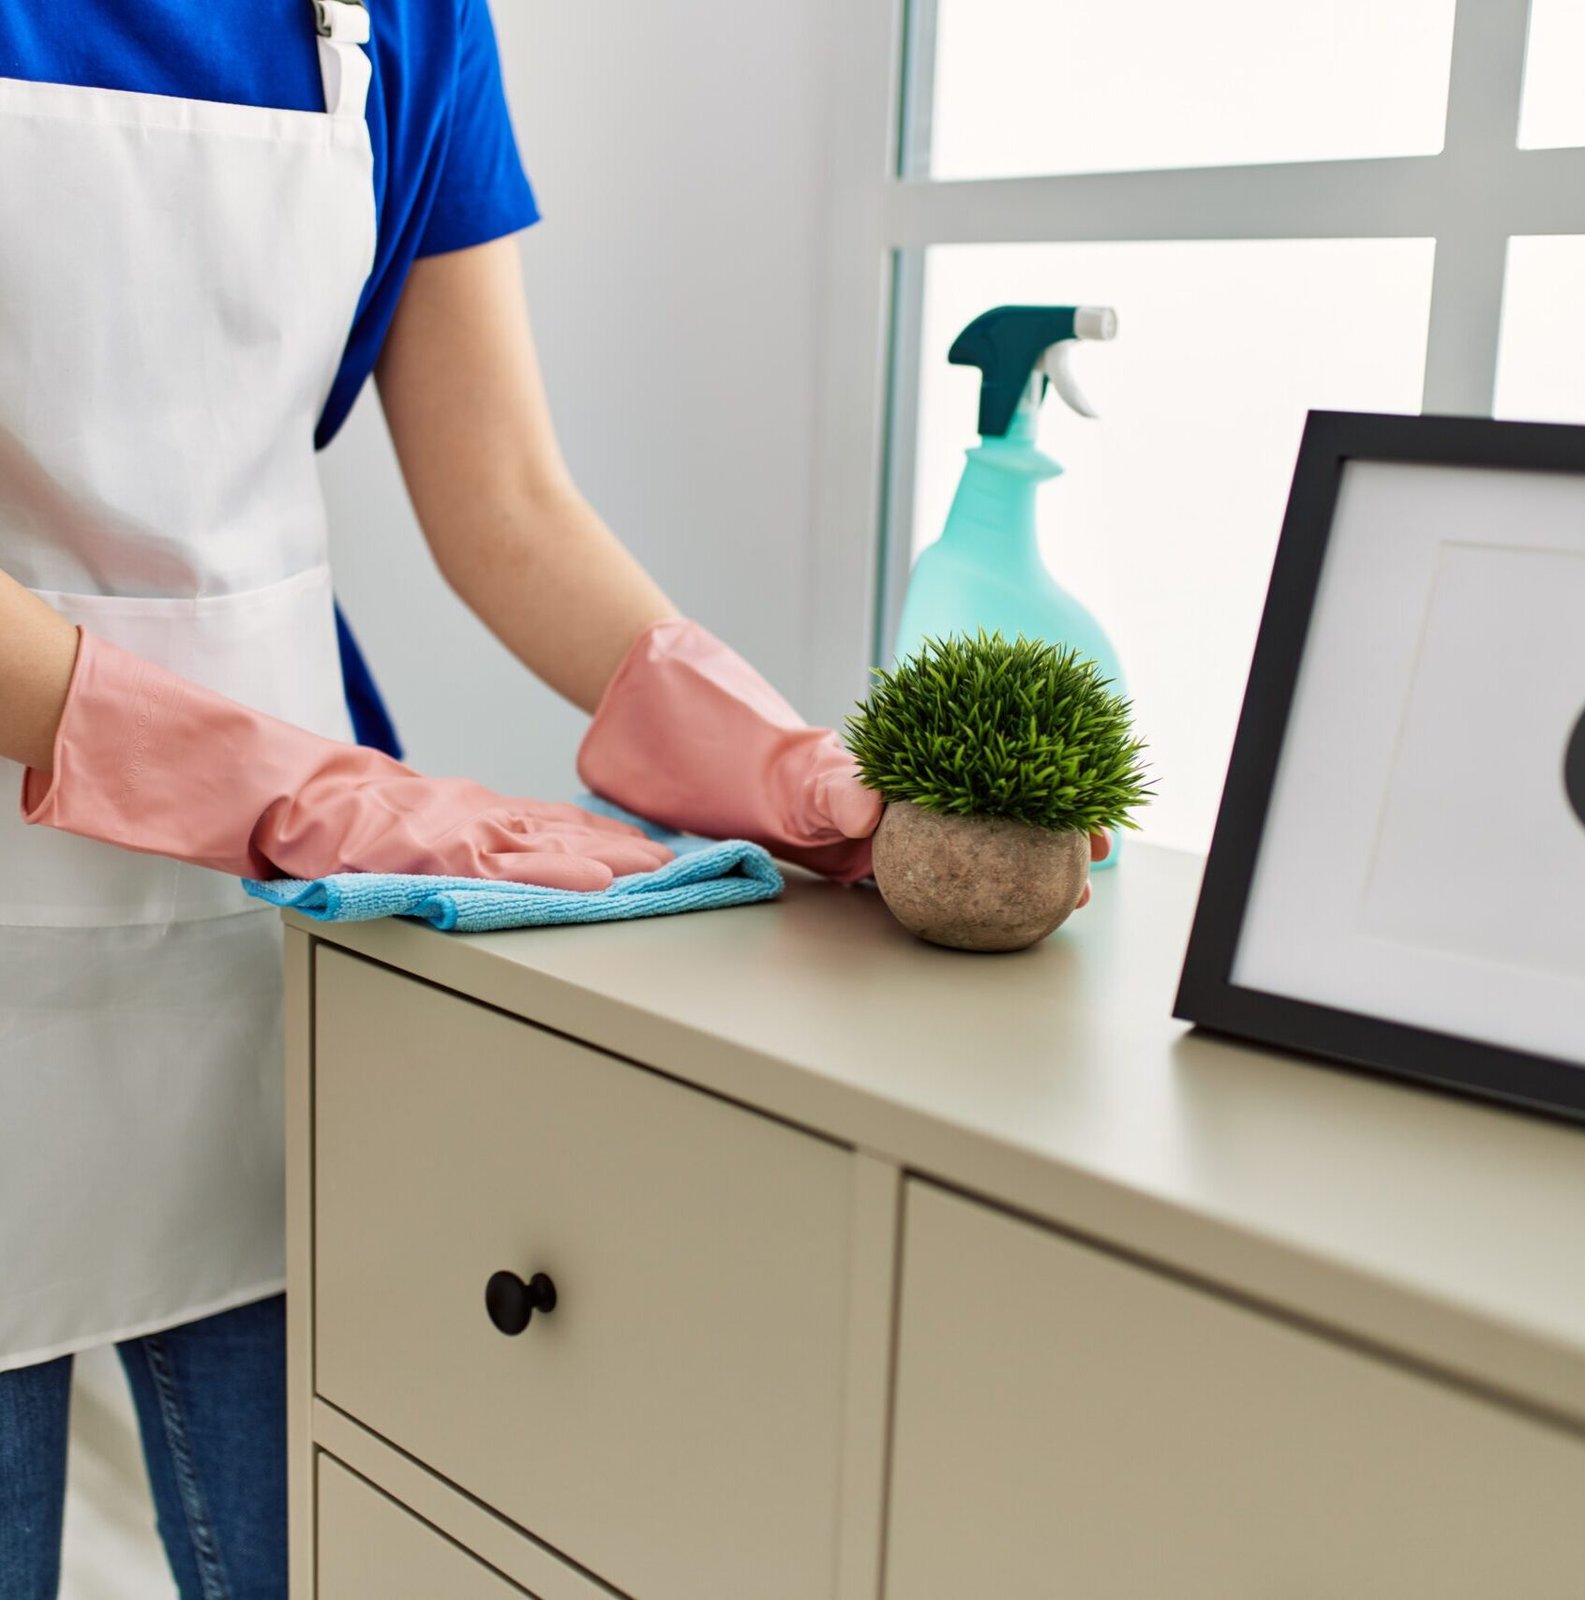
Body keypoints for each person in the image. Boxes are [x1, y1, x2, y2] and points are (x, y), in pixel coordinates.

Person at [0, 2, 1099, 1593]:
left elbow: (504, 493)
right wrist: (272, 781)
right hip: (248, 812)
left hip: (264, 939)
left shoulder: (399, 20)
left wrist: (777, 763)